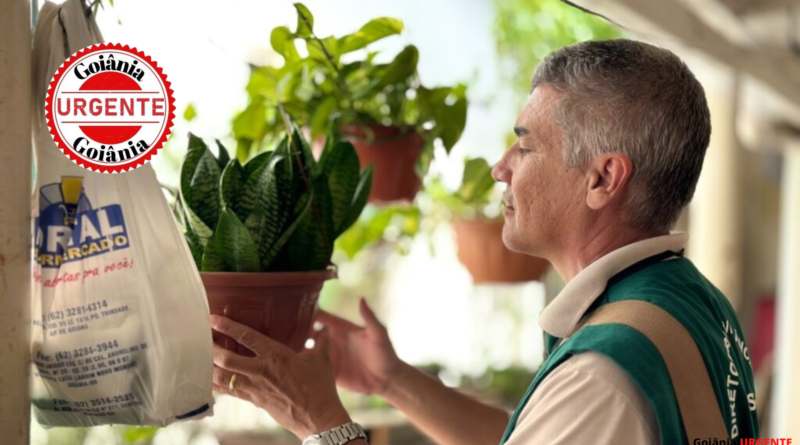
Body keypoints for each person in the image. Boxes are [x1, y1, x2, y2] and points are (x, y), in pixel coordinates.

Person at [210, 38, 759, 445]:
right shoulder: (692, 302)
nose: (501, 168)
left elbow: (585, 407)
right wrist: (393, 380)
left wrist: (321, 423)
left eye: (526, 147)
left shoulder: (606, 373)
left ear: (602, 179)